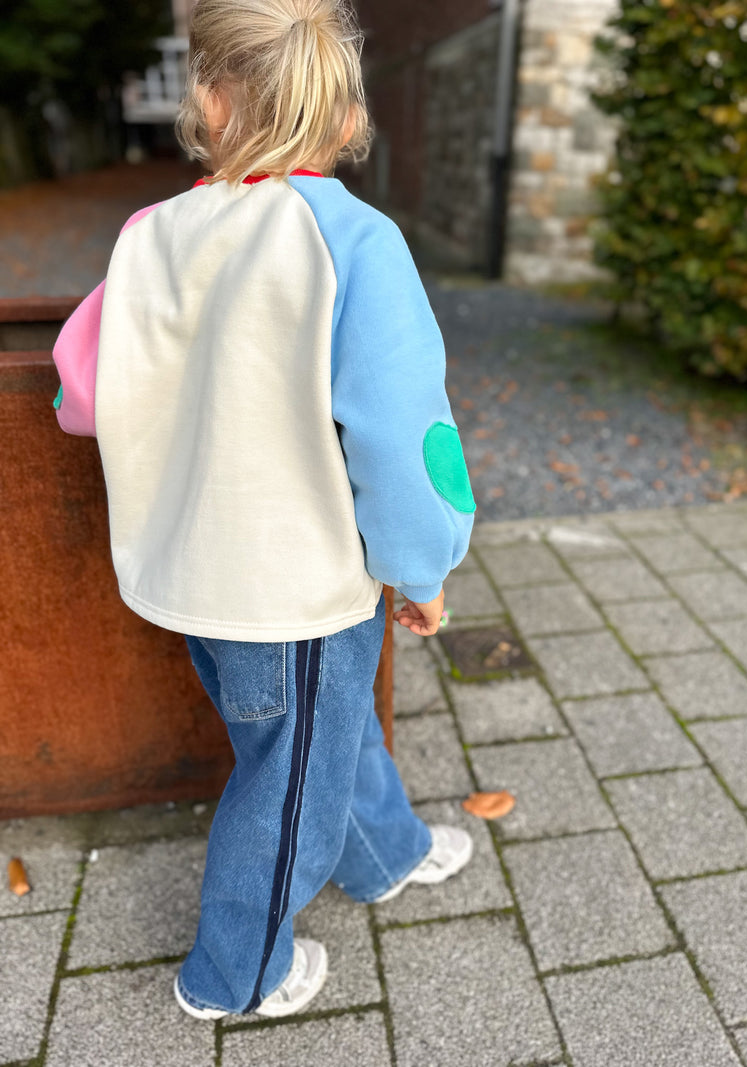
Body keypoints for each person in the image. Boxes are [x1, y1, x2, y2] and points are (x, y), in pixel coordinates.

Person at [52, 0, 475, 1021]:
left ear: (206, 98)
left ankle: (384, 853)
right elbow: (404, 434)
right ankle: (235, 970)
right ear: (345, 119)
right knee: (290, 776)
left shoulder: (152, 234)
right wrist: (420, 567)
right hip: (294, 580)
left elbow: (80, 396)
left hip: (191, 568)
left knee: (308, 738)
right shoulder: (356, 241)